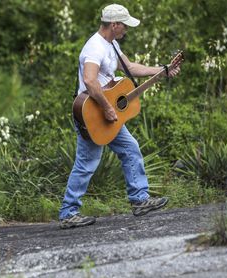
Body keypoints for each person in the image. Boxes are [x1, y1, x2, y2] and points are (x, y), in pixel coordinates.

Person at [59, 4, 182, 229]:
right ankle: (68, 213)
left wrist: (162, 70)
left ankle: (140, 200)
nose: (126, 30)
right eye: (124, 25)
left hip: (108, 113)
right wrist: (107, 107)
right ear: (114, 25)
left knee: (130, 149)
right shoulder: (94, 47)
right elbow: (89, 80)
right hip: (93, 114)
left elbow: (129, 68)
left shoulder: (111, 44)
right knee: (87, 163)